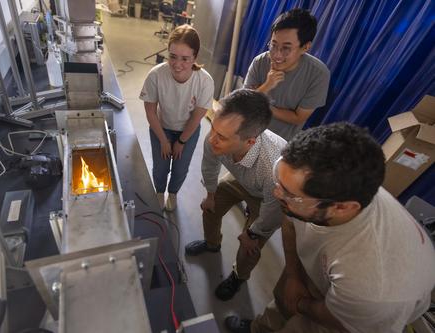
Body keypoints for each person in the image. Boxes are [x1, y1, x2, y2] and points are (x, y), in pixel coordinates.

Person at [225, 122, 435, 333]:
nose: (276, 193)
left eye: (288, 193)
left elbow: (339, 320)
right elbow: (291, 220)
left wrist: (300, 305)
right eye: (278, 179)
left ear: (342, 208)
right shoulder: (310, 191)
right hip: (324, 268)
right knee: (283, 300)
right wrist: (293, 275)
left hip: (352, 319)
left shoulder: (375, 288)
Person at [185, 89, 286, 301]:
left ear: (250, 141)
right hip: (241, 179)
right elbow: (210, 166)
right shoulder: (215, 138)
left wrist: (253, 234)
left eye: (221, 137)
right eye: (212, 128)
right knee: (210, 208)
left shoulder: (275, 168)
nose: (212, 139)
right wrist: (210, 194)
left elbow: (274, 210)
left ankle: (239, 277)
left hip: (268, 199)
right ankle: (212, 244)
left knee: (250, 247)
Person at [140, 24, 214, 211]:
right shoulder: (156, 75)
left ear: (195, 57)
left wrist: (181, 141)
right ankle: (159, 191)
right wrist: (164, 140)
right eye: (172, 56)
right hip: (161, 127)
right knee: (160, 167)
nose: (177, 64)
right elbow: (150, 111)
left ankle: (172, 193)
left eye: (185, 59)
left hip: (187, 131)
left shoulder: (204, 81)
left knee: (180, 169)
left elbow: (198, 115)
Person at [244, 8, 330, 141]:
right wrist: (267, 86)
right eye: (273, 45)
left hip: (280, 143)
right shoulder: (260, 62)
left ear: (305, 47)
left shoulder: (318, 74)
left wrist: (262, 102)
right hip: (247, 134)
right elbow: (245, 104)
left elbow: (298, 118)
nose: (277, 55)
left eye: (286, 48)